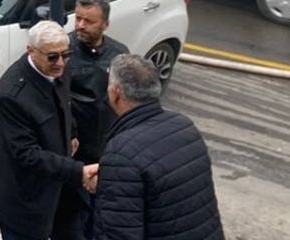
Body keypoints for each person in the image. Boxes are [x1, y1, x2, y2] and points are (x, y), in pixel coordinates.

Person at [94, 55, 224, 240]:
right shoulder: (183, 125)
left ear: (115, 93)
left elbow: (119, 232)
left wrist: (115, 170)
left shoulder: (121, 153)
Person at [0, 21, 96, 240]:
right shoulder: (12, 94)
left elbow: (65, 104)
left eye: (66, 55)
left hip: (57, 187)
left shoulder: (59, 68)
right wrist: (78, 172)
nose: (60, 63)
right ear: (31, 51)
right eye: (52, 57)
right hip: (24, 198)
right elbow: (27, 154)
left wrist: (72, 132)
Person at [66, 0, 129, 238]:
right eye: (78, 18)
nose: (80, 25)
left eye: (88, 21)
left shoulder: (118, 55)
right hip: (72, 148)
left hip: (104, 147)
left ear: (105, 24)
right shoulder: (64, 52)